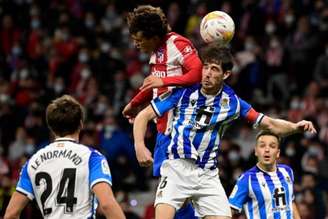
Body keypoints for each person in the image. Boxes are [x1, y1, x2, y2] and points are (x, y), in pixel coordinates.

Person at [133, 43, 316, 219]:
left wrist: (295, 127)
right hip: (176, 169)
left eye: (214, 69)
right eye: (206, 67)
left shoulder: (233, 102)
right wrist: (140, 145)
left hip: (207, 175)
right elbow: (143, 116)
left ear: (226, 74)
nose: (207, 74)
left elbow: (269, 124)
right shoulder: (183, 92)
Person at [123, 5, 202, 218]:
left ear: (154, 35)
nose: (136, 43)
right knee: (173, 194)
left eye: (139, 38)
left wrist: (164, 80)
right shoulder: (157, 51)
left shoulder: (177, 43)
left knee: (173, 195)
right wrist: (136, 102)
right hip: (162, 129)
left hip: (180, 130)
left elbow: (198, 73)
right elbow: (158, 86)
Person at [4, 95, 125, 219]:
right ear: (80, 124)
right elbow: (107, 205)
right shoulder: (92, 157)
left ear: (51, 127)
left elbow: (11, 214)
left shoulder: (32, 162)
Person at [229, 131, 301, 219]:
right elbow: (230, 210)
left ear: (278, 153)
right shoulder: (247, 179)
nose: (267, 150)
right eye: (262, 146)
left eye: (272, 146)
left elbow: (290, 201)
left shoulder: (287, 171)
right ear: (256, 151)